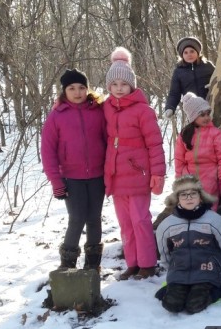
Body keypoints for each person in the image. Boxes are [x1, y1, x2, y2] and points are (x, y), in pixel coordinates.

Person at [104, 47, 166, 280]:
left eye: (124, 84)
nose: (119, 88)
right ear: (109, 86)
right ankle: (132, 263)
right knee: (125, 223)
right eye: (115, 84)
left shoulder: (144, 111)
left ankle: (148, 264)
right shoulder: (106, 108)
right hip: (116, 175)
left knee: (140, 220)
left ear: (132, 85)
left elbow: (155, 145)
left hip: (138, 174)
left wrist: (158, 174)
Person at [41, 69, 107, 271]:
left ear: (88, 89)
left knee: (94, 218)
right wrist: (56, 182)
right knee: (77, 218)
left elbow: (108, 140)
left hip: (97, 176)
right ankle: (67, 264)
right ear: (64, 91)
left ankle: (93, 265)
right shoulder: (57, 116)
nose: (77, 92)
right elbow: (47, 151)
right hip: (71, 177)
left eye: (81, 88)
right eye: (72, 88)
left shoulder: (98, 111)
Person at [155, 175, 221, 314]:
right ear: (177, 198)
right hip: (180, 273)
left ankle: (219, 290)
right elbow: (165, 255)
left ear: (201, 196)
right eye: (184, 195)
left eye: (193, 194)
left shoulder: (215, 221)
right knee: (171, 305)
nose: (189, 198)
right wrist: (170, 279)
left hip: (207, 273)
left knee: (194, 306)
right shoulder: (167, 225)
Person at [175, 92, 221, 210]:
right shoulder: (184, 135)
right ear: (193, 116)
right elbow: (179, 160)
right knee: (190, 207)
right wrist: (179, 179)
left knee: (208, 208)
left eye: (207, 114)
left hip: (210, 177)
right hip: (189, 178)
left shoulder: (216, 134)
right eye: (202, 115)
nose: (206, 117)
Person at [163, 36, 215, 120]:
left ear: (198, 52)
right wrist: (170, 107)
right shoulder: (178, 71)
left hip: (211, 105)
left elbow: (220, 79)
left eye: (192, 51)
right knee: (197, 132)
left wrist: (213, 85)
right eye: (185, 52)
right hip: (193, 110)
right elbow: (174, 93)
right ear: (182, 55)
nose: (189, 54)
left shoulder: (208, 66)